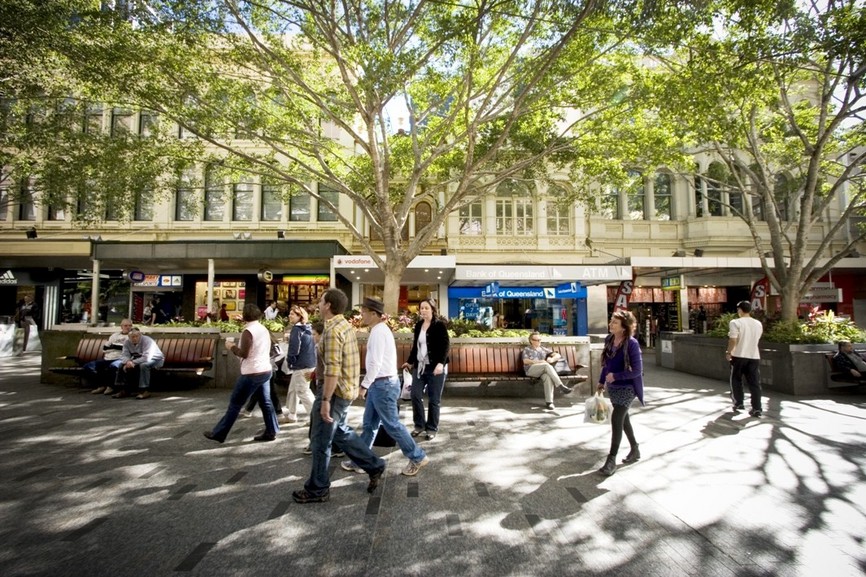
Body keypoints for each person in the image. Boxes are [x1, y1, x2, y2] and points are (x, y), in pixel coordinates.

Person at [292, 288, 386, 504]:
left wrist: (324, 400)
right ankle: (374, 465)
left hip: (333, 392)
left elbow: (333, 368)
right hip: (342, 390)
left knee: (320, 440)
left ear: (328, 305)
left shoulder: (333, 330)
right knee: (340, 432)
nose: (318, 303)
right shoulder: (343, 325)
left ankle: (318, 489)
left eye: (321, 300)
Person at [342, 297, 430, 477]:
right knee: (369, 425)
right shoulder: (378, 330)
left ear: (374, 314)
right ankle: (361, 460)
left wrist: (364, 385)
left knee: (392, 425)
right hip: (380, 384)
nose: (362, 315)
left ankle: (417, 456)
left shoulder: (379, 332)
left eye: (364, 312)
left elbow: (375, 363)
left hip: (383, 384)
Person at [204, 304, 279, 443]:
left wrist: (231, 346)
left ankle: (220, 433)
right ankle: (271, 430)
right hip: (265, 369)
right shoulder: (263, 329)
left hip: (251, 372)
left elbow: (244, 353)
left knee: (235, 403)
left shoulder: (248, 331)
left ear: (245, 316)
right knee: (266, 402)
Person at [597, 310, 645, 477]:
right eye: (611, 321)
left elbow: (638, 371)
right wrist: (601, 381)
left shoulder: (632, 344)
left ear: (624, 327)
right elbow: (606, 363)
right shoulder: (609, 339)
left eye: (615, 322)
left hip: (628, 387)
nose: (611, 324)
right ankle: (635, 449)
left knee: (617, 419)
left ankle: (611, 460)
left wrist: (616, 376)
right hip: (613, 387)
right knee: (624, 419)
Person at [403, 298, 450, 440]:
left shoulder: (439, 325)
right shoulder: (418, 326)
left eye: (426, 308)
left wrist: (441, 364)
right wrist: (409, 362)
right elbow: (415, 347)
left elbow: (446, 346)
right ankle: (419, 425)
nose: (423, 310)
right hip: (420, 367)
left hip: (436, 368)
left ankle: (431, 428)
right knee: (415, 395)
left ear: (433, 309)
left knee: (434, 399)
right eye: (421, 308)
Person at [726, 300, 764, 417]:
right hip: (754, 356)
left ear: (740, 310)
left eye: (738, 309)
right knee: (754, 383)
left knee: (736, 380)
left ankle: (739, 403)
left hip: (738, 355)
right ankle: (757, 407)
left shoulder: (735, 322)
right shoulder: (758, 323)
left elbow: (733, 339)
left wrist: (729, 352)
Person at [283, 305, 317, 423]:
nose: (289, 316)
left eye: (292, 314)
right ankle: (292, 414)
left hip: (301, 365)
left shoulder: (296, 330)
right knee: (294, 389)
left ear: (299, 316)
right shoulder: (308, 328)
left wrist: (290, 361)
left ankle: (316, 417)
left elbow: (294, 348)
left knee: (303, 391)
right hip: (311, 363)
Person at [522, 332, 572, 410]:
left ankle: (549, 402)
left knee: (548, 377)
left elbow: (558, 355)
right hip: (531, 370)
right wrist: (540, 362)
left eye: (540, 340)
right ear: (531, 341)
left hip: (543, 370)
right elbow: (525, 361)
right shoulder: (527, 349)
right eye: (536, 340)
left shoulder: (543, 349)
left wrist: (552, 359)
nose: (539, 341)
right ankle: (560, 385)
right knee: (546, 365)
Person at [110, 328, 165, 399]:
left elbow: (146, 358)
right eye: (132, 337)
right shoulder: (127, 342)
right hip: (138, 360)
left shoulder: (147, 341)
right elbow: (124, 355)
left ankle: (144, 391)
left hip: (156, 359)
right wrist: (128, 362)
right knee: (121, 365)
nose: (135, 338)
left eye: (137, 336)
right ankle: (122, 389)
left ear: (140, 335)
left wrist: (132, 362)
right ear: (129, 337)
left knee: (144, 365)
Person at [88, 319, 134, 394]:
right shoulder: (114, 335)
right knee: (89, 366)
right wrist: (118, 347)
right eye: (126, 325)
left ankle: (111, 386)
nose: (128, 327)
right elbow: (105, 348)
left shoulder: (132, 336)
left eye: (130, 325)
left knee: (113, 366)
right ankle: (101, 385)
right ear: (121, 327)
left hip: (120, 359)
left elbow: (128, 349)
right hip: (108, 358)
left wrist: (113, 346)